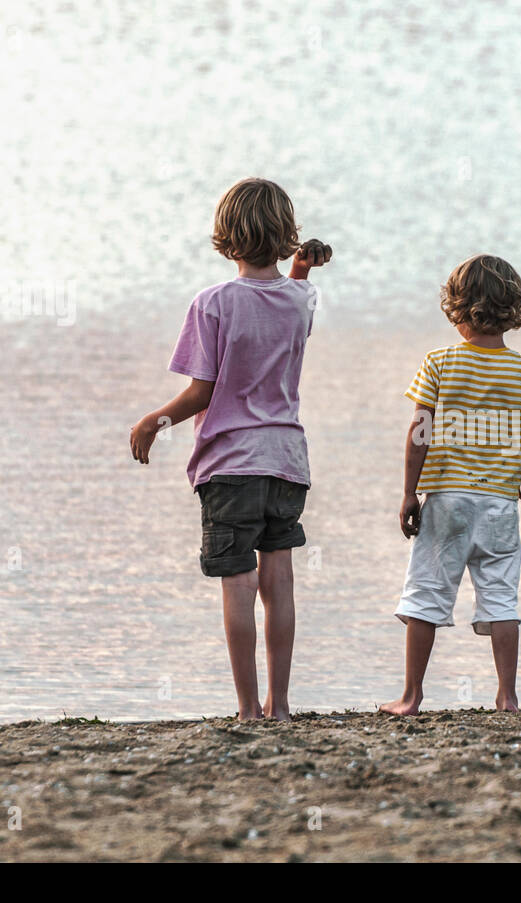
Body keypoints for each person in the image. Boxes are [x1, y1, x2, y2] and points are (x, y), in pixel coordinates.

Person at [129, 177, 331, 722]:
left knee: (238, 583)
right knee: (280, 581)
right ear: (287, 236)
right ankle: (280, 705)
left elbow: (203, 391)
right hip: (287, 461)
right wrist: (303, 272)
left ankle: (246, 708)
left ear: (226, 236)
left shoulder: (211, 303)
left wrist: (156, 420)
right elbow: (284, 309)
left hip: (231, 465)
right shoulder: (300, 298)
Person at [379, 255, 521, 715]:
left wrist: (410, 492)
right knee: (501, 597)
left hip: (446, 500)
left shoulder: (439, 362)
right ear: (513, 307)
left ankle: (411, 696)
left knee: (426, 594)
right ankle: (507, 697)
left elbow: (419, 433)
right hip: (500, 504)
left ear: (456, 308)